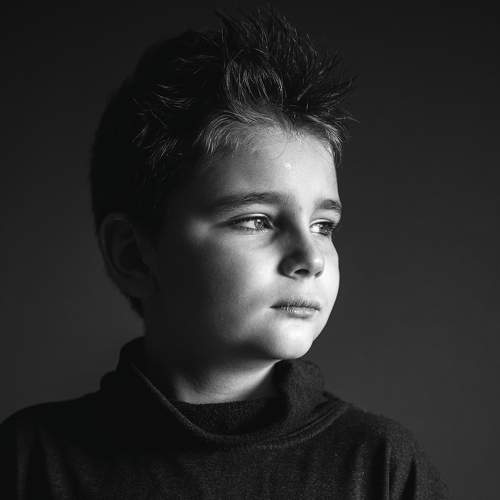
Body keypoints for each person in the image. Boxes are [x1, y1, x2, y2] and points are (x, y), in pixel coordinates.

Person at [0, 7, 448, 499]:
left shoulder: (381, 464)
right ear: (133, 255)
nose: (312, 257)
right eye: (256, 220)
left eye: (324, 226)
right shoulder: (30, 461)